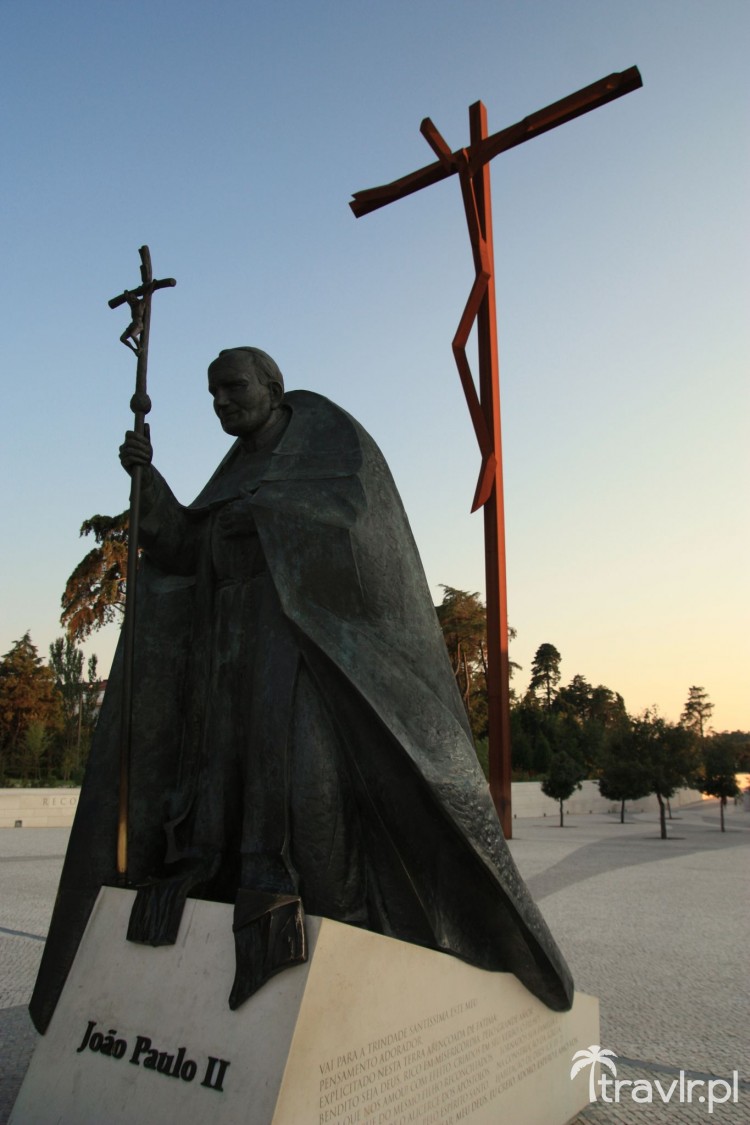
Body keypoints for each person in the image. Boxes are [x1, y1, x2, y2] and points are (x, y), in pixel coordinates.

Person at [30, 347, 573, 1033]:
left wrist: (265, 518)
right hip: (227, 651)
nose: (221, 402)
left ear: (273, 387)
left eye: (233, 387)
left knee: (306, 796)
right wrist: (149, 482)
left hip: (303, 648)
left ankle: (334, 942)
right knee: (220, 787)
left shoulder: (331, 444)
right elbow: (185, 549)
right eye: (212, 394)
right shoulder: (236, 468)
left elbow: (358, 531)